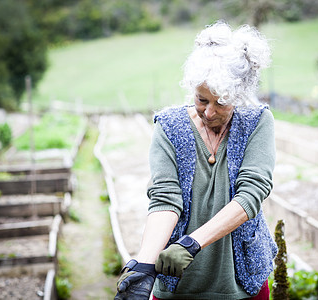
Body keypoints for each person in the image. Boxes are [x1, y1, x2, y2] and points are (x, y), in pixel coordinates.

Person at [115, 20, 277, 300]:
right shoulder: (170, 126)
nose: (209, 112)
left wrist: (192, 243)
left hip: (240, 284)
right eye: (202, 100)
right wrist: (144, 264)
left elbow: (251, 195)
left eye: (221, 103)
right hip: (179, 283)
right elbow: (165, 199)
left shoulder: (257, 122)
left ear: (239, 97)